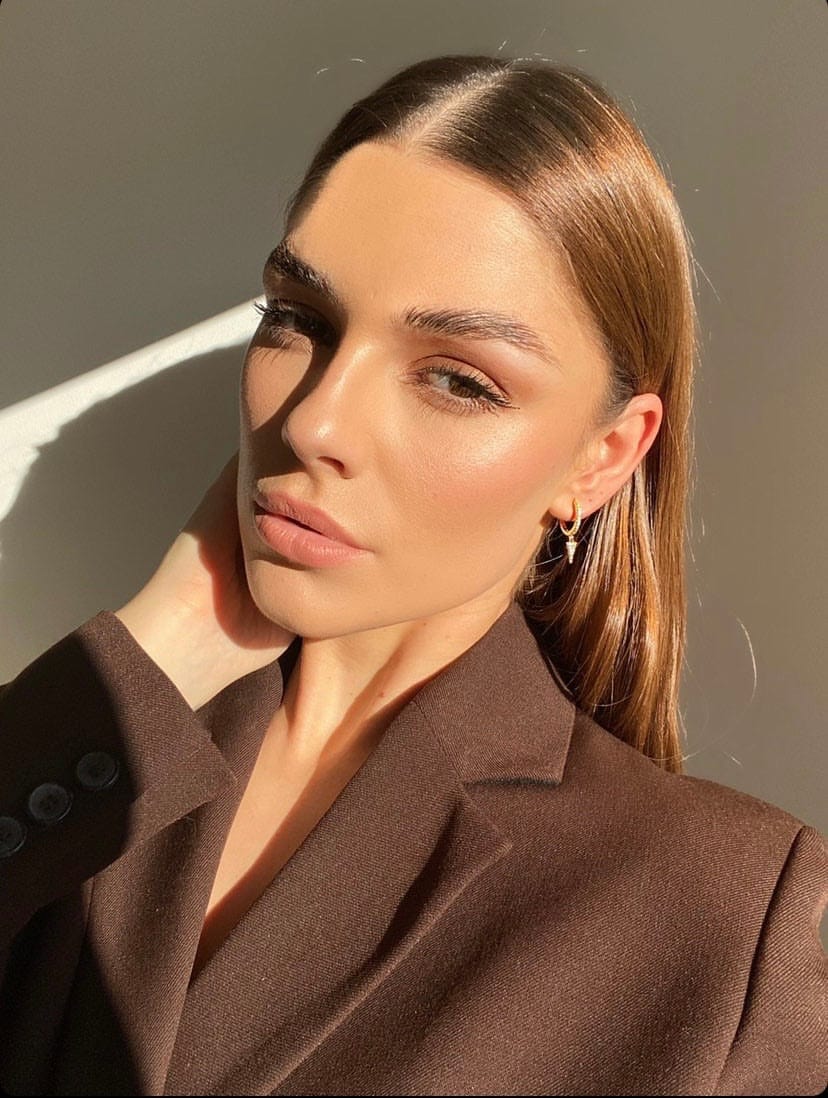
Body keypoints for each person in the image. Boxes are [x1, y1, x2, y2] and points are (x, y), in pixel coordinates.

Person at [0, 53, 825, 1097]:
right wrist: (161, 644)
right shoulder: (72, 763)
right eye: (296, 319)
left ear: (604, 455)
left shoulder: (730, 921)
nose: (314, 422)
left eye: (457, 378)